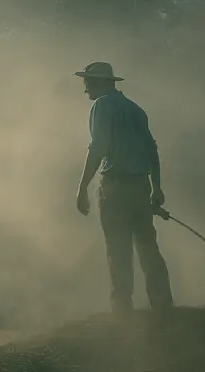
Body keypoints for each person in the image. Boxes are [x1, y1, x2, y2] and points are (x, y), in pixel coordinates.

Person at [73, 61, 174, 316]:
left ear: (102, 82)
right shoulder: (135, 110)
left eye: (89, 82)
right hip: (139, 186)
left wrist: (82, 187)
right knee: (148, 246)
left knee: (118, 249)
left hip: (115, 187)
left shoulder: (102, 105)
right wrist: (156, 187)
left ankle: (122, 311)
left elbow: (98, 148)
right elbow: (152, 148)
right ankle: (163, 307)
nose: (86, 88)